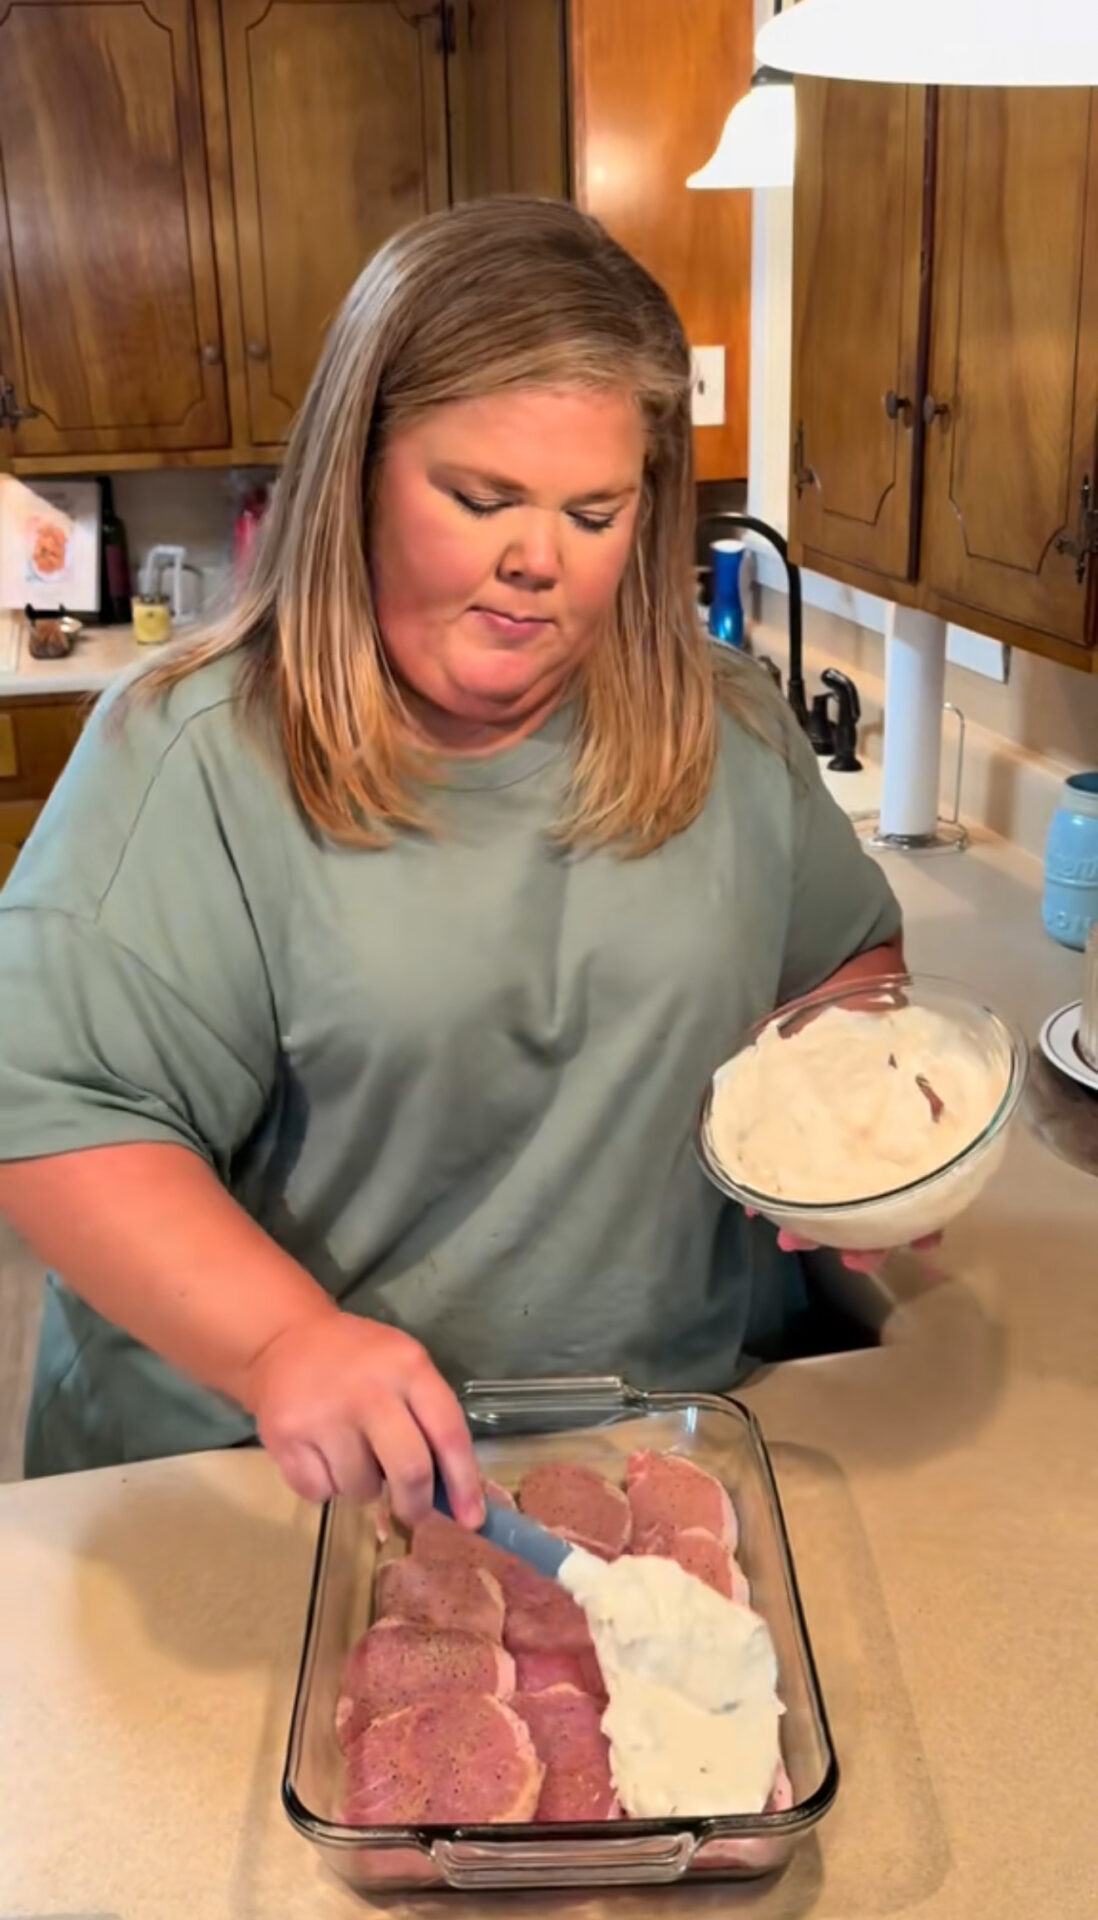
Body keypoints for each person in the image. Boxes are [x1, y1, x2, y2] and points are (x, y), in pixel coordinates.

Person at [0, 198, 903, 1530]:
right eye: (477, 498)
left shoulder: (722, 725)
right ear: (356, 468)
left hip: (639, 1452)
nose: (535, 560)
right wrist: (276, 1345)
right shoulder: (192, 756)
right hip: (255, 1482)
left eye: (593, 512)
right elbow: (61, 1118)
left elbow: (843, 970)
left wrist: (860, 1124)